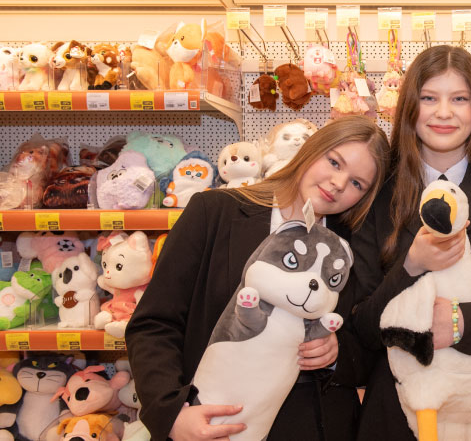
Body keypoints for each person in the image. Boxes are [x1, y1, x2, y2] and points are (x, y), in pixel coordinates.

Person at [125, 115, 390, 441]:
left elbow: (367, 344)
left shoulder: (350, 247)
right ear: (311, 150)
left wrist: (335, 353)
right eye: (334, 162)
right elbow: (154, 323)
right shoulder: (215, 212)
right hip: (213, 422)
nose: (338, 183)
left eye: (357, 183)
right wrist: (172, 414)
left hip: (312, 425)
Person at [349, 45, 471, 440]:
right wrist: (410, 266)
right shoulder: (376, 195)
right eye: (428, 98)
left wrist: (459, 324)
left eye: (459, 99)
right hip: (399, 411)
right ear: (409, 107)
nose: (443, 112)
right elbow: (363, 327)